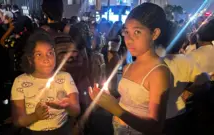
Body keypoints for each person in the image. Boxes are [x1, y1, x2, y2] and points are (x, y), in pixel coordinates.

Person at [89, 3, 173, 135]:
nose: (128, 39)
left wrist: (115, 109)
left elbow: (155, 127)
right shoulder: (129, 66)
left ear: (155, 33)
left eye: (137, 32)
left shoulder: (158, 72)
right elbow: (127, 101)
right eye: (126, 32)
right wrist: (107, 100)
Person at [11, 30, 80, 135]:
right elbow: (17, 121)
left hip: (61, 131)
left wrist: (66, 106)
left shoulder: (65, 77)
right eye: (39, 54)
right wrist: (35, 116)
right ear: (30, 59)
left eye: (50, 53)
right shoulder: (20, 82)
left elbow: (76, 111)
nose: (46, 59)